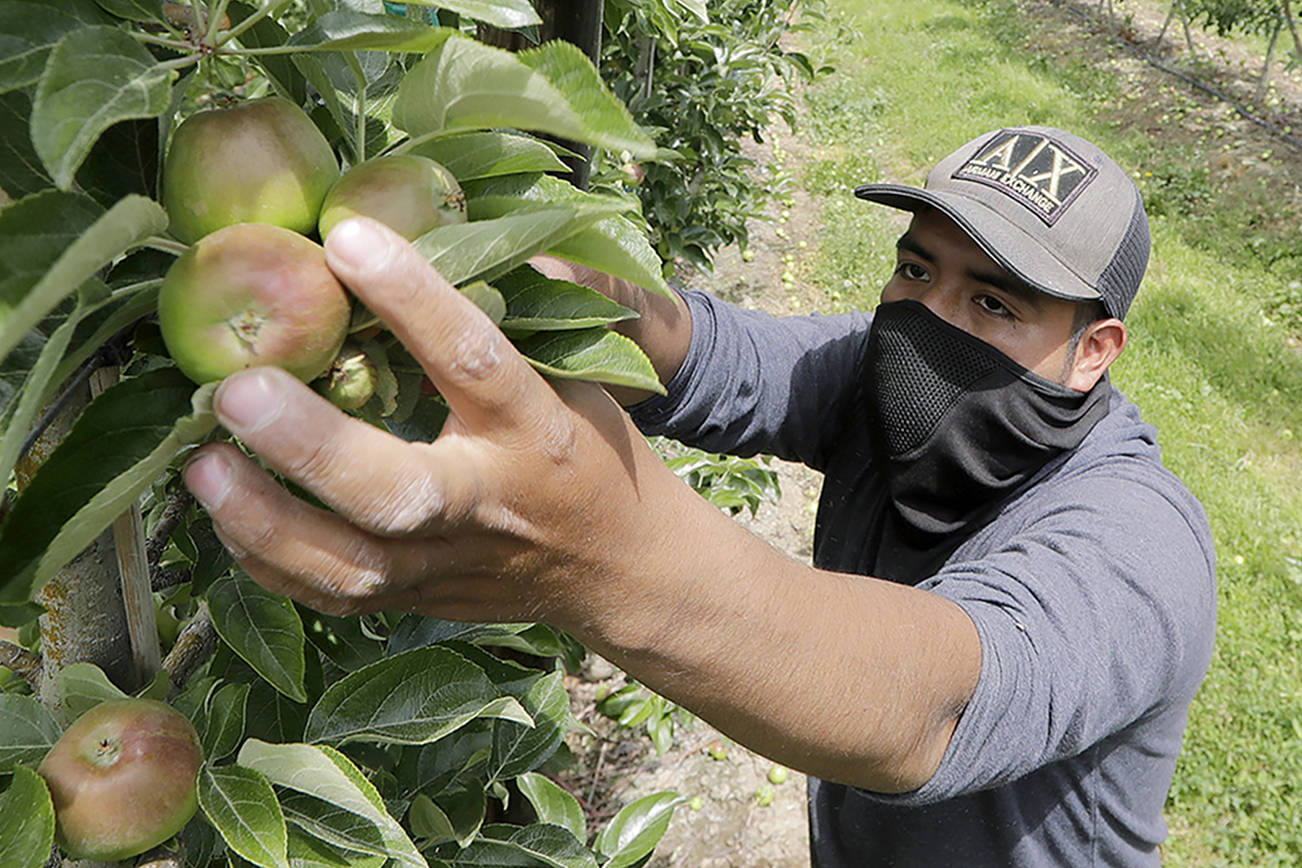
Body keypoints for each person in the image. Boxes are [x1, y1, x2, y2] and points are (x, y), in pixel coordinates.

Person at [182, 126, 1217, 866]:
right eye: (916, 269)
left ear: (1093, 350)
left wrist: (601, 561)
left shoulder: (1138, 541)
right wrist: (546, 272)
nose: (928, 316)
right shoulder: (877, 376)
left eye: (993, 302)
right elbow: (703, 352)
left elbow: (928, 707)